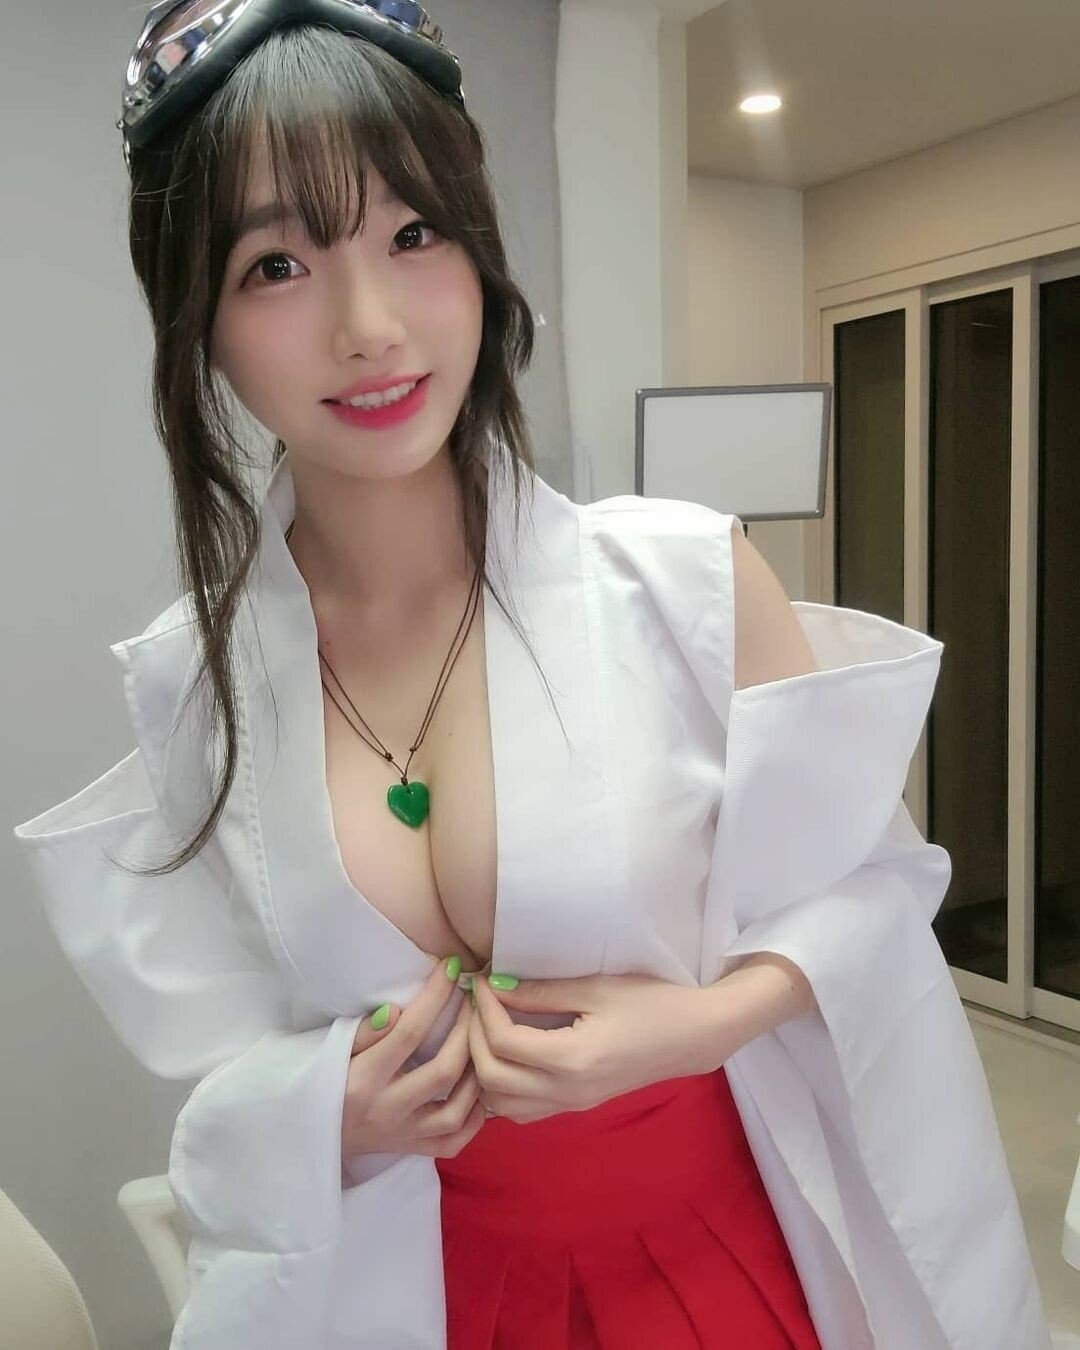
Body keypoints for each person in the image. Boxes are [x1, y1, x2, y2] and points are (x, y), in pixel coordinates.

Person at [12, 4, 1052, 1348]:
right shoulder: (191, 694)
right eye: (276, 265)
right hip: (419, 1293)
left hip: (711, 1270)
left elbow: (870, 897)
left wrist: (696, 1026)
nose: (370, 326)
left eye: (413, 235)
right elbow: (229, 1059)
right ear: (196, 324)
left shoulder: (685, 587)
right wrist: (330, 1108)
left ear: (480, 252)